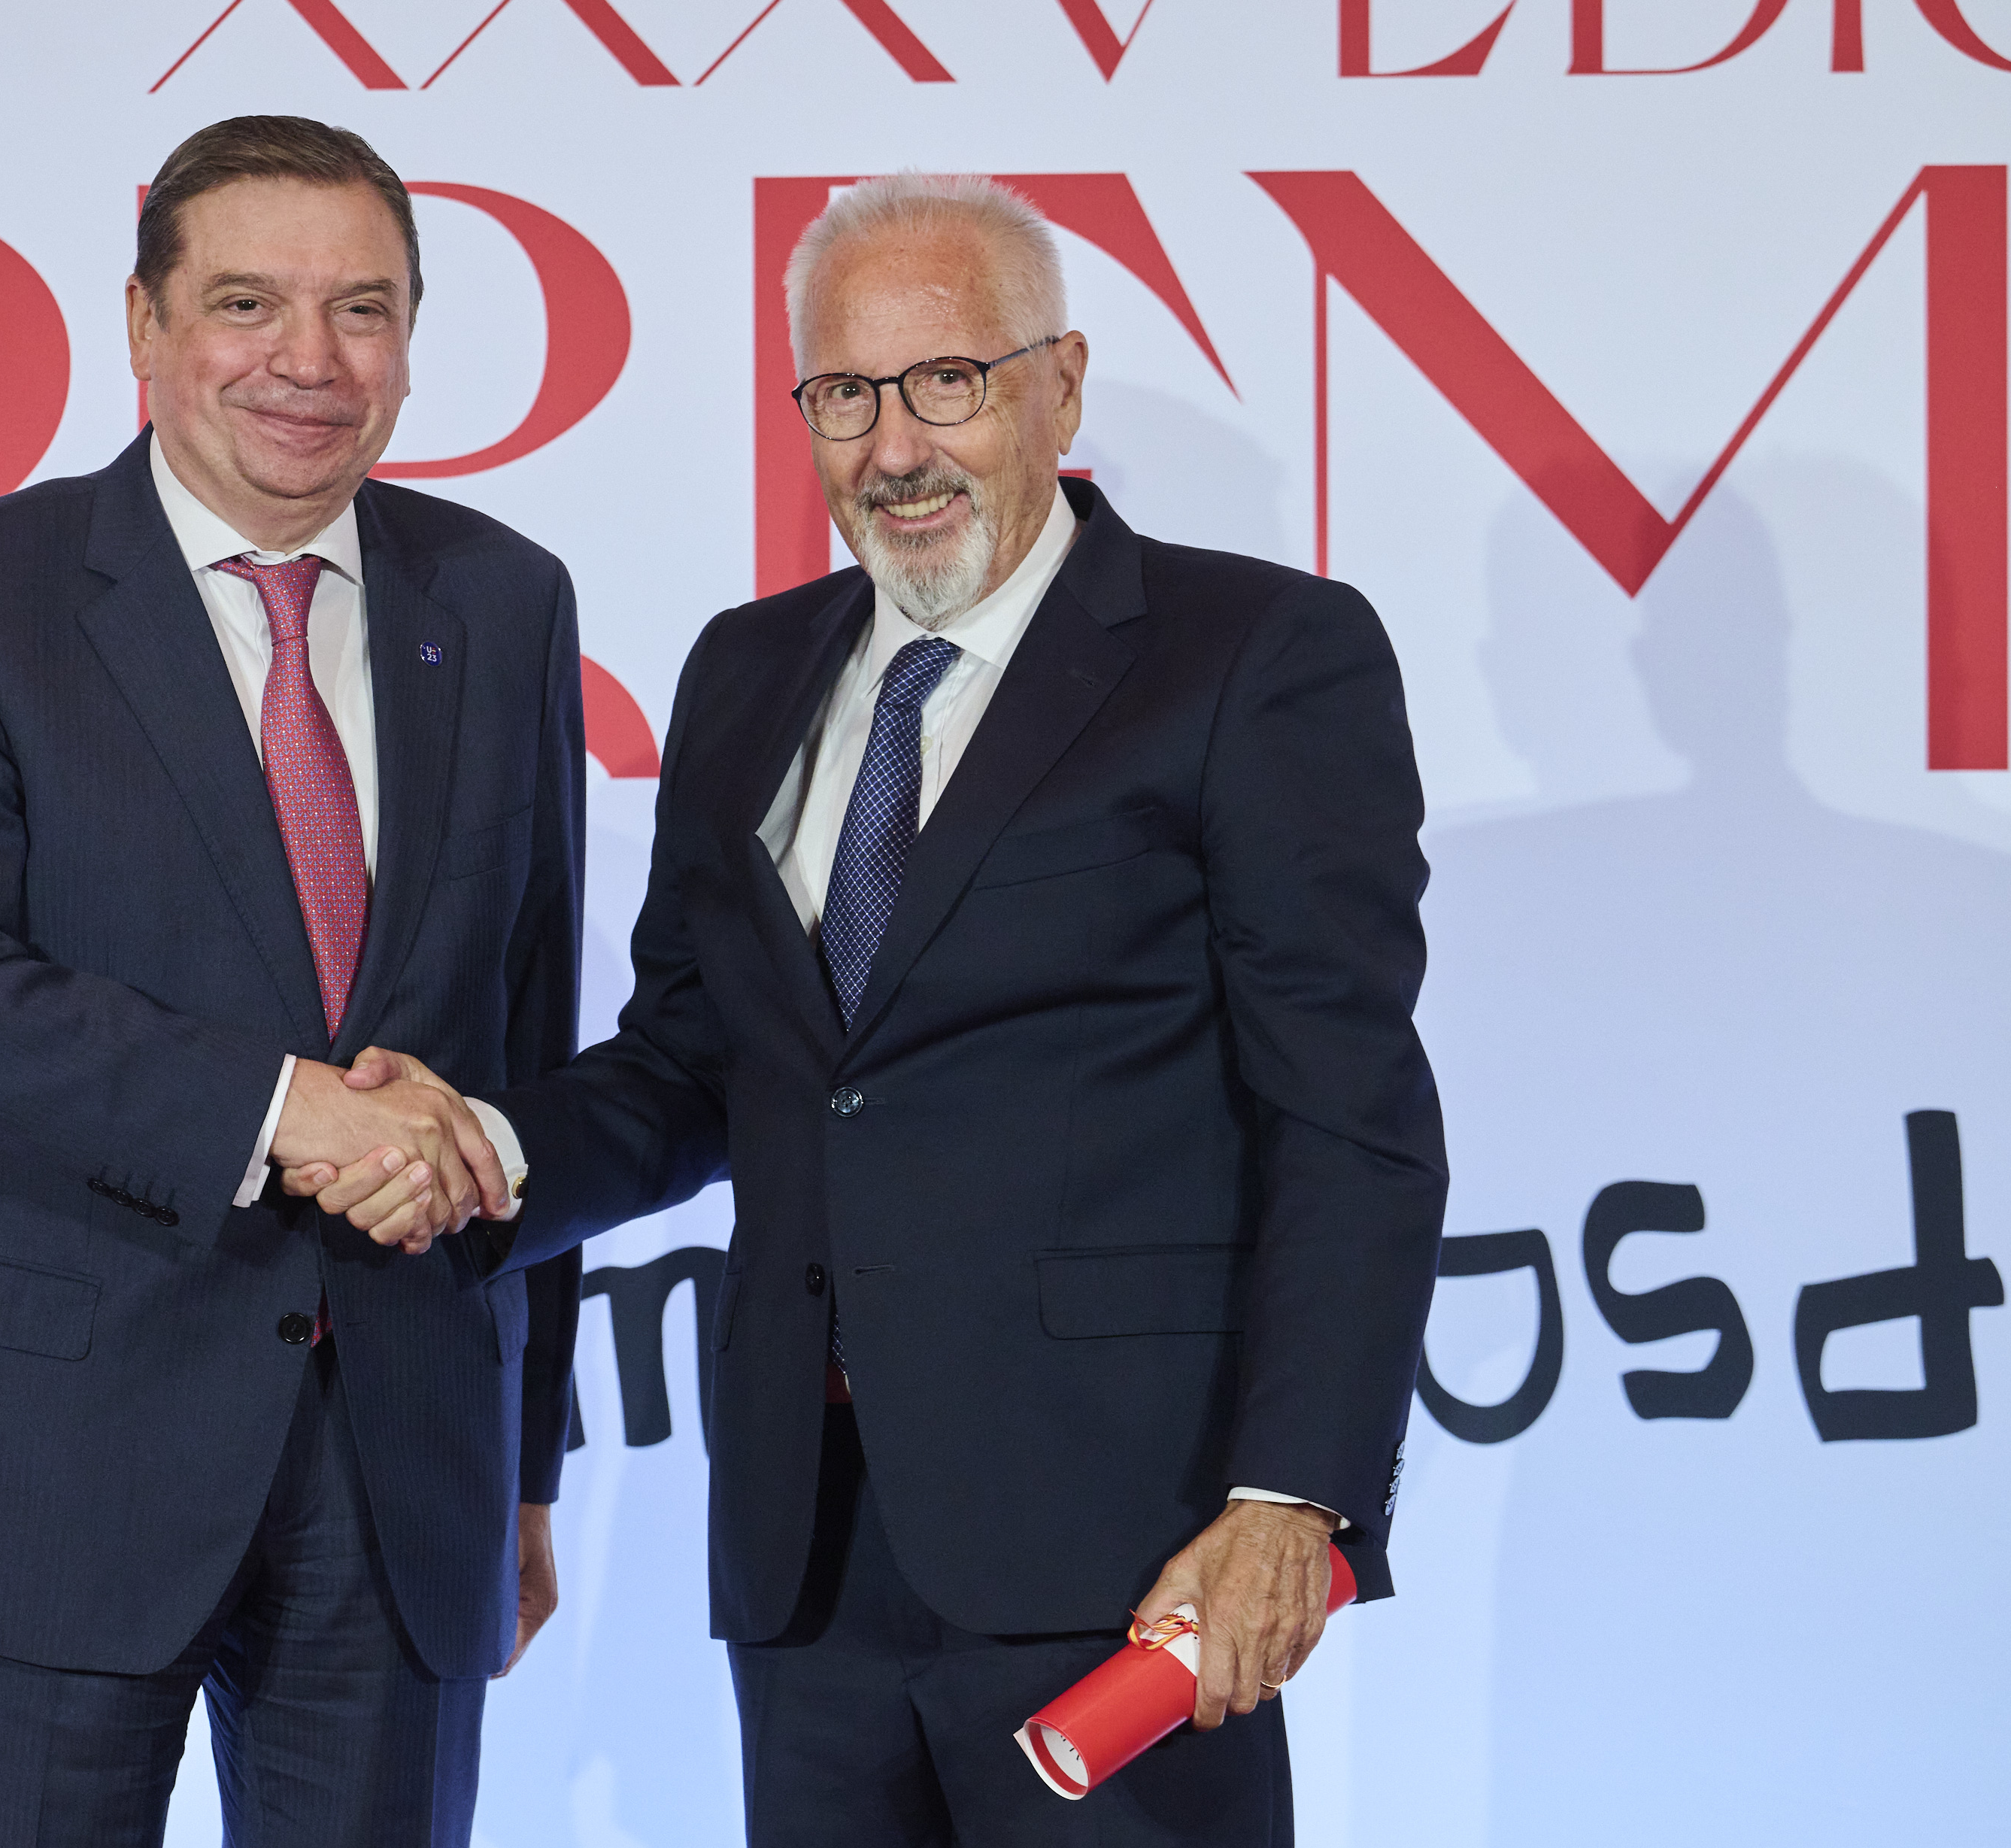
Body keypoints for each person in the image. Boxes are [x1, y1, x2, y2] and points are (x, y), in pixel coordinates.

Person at [302, 172, 1448, 1846]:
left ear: (1059, 385)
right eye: (843, 393)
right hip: (807, 1553)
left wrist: (1292, 1496)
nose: (894, 446)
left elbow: (1347, 1117)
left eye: (946, 381)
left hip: (1128, 1552)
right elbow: (695, 1065)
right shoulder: (744, 669)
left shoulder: (1255, 653)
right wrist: (478, 1141)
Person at [0, 114, 578, 1846]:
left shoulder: (505, 601)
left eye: (363, 309)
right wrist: (277, 1107)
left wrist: (525, 1462)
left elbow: (522, 1051)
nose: (310, 360)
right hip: (40, 1471)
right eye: (247, 303)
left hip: (402, 1480)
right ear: (144, 325)